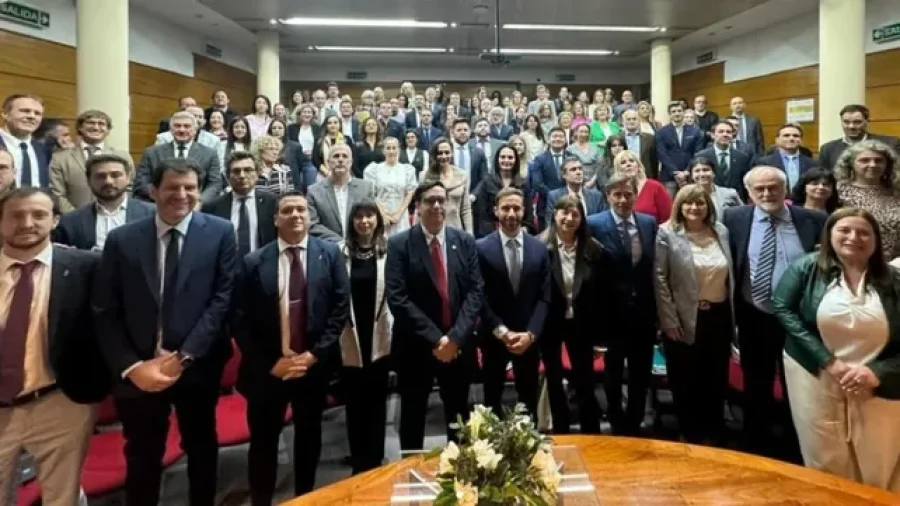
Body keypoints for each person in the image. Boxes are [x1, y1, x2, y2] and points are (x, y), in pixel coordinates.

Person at [93, 158, 237, 506]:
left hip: (198, 364)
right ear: (153, 190)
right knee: (143, 452)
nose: (182, 195)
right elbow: (105, 309)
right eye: (172, 187)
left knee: (201, 445)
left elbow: (222, 298)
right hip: (139, 369)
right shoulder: (122, 239)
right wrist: (131, 366)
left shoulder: (220, 232)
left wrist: (184, 356)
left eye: (190, 187)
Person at [232, 190, 349, 501]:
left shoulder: (330, 254)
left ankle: (304, 497)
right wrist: (270, 363)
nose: (296, 215)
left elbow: (339, 309)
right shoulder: (253, 261)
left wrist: (314, 355)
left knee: (309, 439)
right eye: (288, 211)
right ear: (275, 219)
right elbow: (239, 319)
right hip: (268, 371)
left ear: (310, 216)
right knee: (264, 444)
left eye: (301, 210)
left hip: (312, 369)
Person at [773, 208, 900, 491]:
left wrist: (876, 372)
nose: (854, 237)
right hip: (815, 374)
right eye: (844, 230)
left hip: (877, 382)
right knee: (824, 452)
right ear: (829, 234)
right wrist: (827, 361)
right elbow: (782, 307)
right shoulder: (806, 268)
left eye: (864, 232)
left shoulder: (894, 280)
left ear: (876, 240)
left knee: (879, 455)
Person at [0, 187, 110, 506]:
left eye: (38, 215)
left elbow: (109, 327)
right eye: (16, 215)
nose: (27, 223)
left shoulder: (87, 267)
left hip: (59, 403)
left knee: (62, 498)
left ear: (55, 220)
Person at [722, 166, 826, 461]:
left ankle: (798, 446)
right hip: (754, 314)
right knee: (756, 382)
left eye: (773, 188)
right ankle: (757, 446)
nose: (767, 194)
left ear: (786, 188)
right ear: (749, 192)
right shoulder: (733, 219)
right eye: (760, 190)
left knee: (801, 384)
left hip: (800, 319)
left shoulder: (814, 220)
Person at [385, 180, 484, 450]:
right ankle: (410, 478)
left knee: (458, 416)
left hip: (458, 345)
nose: (438, 206)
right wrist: (437, 340)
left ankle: (461, 477)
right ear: (417, 206)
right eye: (430, 200)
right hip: (416, 348)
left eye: (442, 200)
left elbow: (476, 292)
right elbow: (397, 298)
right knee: (413, 415)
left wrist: (454, 338)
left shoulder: (463, 241)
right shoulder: (399, 244)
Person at [654, 184, 735, 444]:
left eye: (700, 202)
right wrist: (669, 320)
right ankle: (690, 430)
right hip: (684, 316)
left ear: (708, 205)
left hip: (719, 314)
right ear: (679, 205)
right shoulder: (667, 233)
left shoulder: (721, 231)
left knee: (715, 374)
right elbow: (660, 279)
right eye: (688, 203)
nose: (694, 207)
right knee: (685, 377)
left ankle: (714, 428)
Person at [587, 174, 657, 435]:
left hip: (643, 314)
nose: (623, 200)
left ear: (635, 196)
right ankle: (616, 420)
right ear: (608, 197)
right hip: (610, 314)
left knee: (641, 372)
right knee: (613, 372)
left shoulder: (649, 223)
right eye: (617, 194)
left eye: (628, 194)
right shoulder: (593, 224)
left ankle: (636, 421)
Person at [477, 187, 550, 421]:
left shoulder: (539, 248)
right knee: (491, 402)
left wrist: (530, 334)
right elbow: (479, 296)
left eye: (516, 208)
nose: (511, 213)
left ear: (524, 211)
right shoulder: (481, 248)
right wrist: (501, 331)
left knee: (528, 402)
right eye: (506, 208)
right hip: (495, 337)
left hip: (528, 338)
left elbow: (544, 296)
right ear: (496, 211)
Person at [538, 194, 609, 434]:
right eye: (564, 213)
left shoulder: (594, 249)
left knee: (585, 381)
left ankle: (592, 434)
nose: (569, 219)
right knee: (555, 381)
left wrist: (600, 338)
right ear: (554, 215)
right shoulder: (540, 247)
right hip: (551, 325)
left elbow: (601, 297)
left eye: (575, 214)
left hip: (583, 324)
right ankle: (561, 431)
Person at [339, 200, 392, 475]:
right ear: (352, 222)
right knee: (354, 401)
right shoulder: (340, 252)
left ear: (377, 220)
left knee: (377, 399)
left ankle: (376, 458)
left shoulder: (388, 251)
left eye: (369, 216)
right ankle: (359, 460)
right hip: (350, 334)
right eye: (358, 217)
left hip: (379, 333)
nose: (364, 221)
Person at [54, 153, 155, 250]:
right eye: (100, 176)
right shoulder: (70, 221)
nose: (108, 181)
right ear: (88, 180)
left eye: (115, 175)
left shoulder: (152, 214)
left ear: (128, 178)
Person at [201, 151, 278, 257]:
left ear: (257, 174)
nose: (242, 175)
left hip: (261, 267)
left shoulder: (272, 203)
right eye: (236, 171)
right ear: (227, 176)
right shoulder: (213, 207)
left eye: (248, 170)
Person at [307, 144, 376, 243]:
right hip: (328, 248)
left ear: (351, 162)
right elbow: (312, 225)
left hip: (360, 246)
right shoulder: (314, 191)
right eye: (336, 156)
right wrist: (340, 242)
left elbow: (372, 219)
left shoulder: (366, 188)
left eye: (345, 156)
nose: (340, 160)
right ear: (328, 162)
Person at [474, 145, 535, 238]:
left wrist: (525, 228)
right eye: (503, 157)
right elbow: (483, 214)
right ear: (497, 160)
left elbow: (528, 212)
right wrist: (493, 234)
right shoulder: (487, 182)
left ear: (516, 161)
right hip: (492, 232)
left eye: (510, 157)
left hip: (519, 231)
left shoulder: (523, 183)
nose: (506, 160)